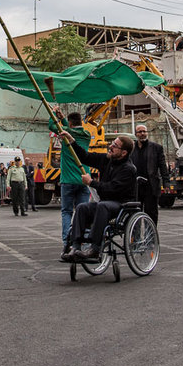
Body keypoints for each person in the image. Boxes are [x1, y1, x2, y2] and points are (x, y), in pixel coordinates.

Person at [57, 134, 137, 262]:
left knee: (102, 205)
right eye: (112, 143)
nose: (110, 147)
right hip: (105, 203)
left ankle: (95, 248)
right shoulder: (107, 159)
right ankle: (75, 246)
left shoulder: (128, 169)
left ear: (123, 153)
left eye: (115, 146)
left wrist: (91, 183)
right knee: (82, 207)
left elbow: (112, 188)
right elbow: (86, 157)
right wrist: (72, 141)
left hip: (121, 205)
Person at [49, 110, 91, 252]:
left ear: (71, 123)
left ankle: (67, 241)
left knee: (67, 212)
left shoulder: (65, 132)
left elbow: (52, 126)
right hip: (84, 179)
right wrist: (64, 120)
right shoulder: (86, 135)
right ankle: (83, 242)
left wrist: (53, 114)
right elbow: (72, 131)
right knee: (83, 212)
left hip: (68, 180)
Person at [130, 124, 169, 226]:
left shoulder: (156, 148)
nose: (142, 134)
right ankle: (135, 238)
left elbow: (163, 166)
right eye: (140, 132)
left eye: (144, 131)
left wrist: (166, 182)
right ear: (136, 134)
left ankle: (151, 236)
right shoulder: (131, 148)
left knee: (151, 214)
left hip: (151, 187)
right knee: (134, 215)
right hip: (136, 187)